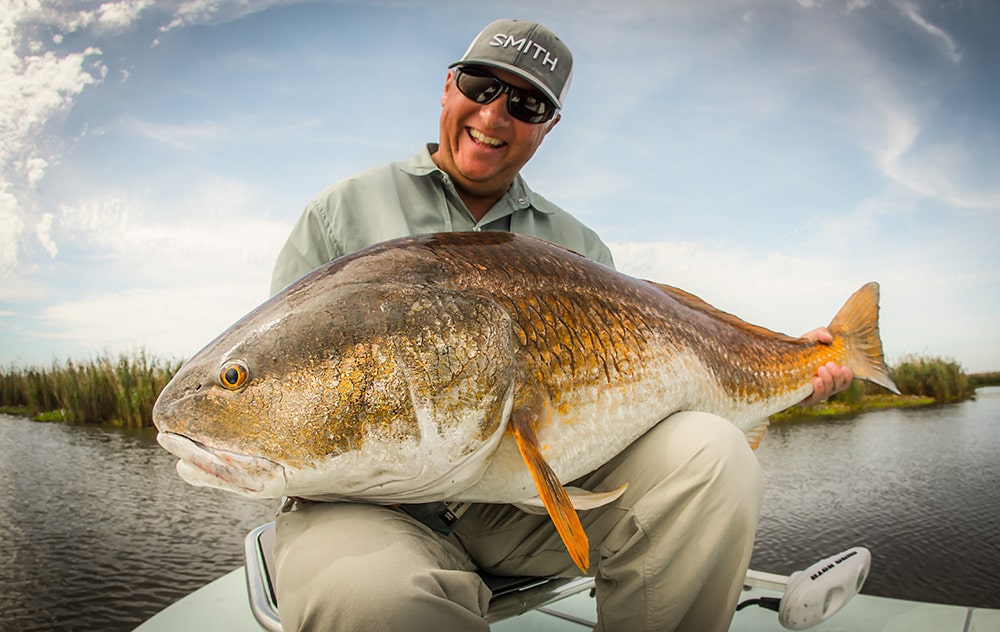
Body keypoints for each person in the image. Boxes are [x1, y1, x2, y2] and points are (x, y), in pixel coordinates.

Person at [268, 18, 852, 632]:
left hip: (528, 508)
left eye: (527, 103)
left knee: (716, 454)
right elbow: (282, 378)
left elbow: (637, 405)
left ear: (549, 126)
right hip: (364, 505)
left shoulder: (579, 247)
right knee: (370, 600)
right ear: (448, 86)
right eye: (481, 85)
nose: (495, 117)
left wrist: (794, 360)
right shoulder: (340, 216)